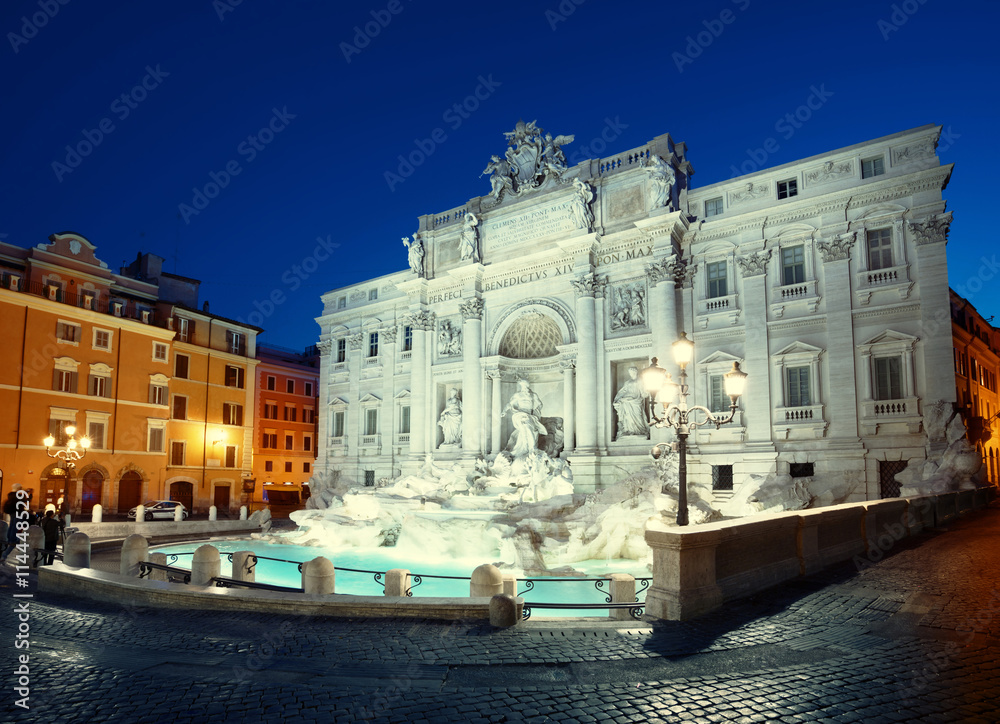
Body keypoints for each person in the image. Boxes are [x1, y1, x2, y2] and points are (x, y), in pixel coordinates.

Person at [501, 379, 548, 458]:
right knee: (525, 426)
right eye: (524, 386)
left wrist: (537, 411)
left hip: (530, 415)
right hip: (520, 414)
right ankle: (532, 447)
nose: (526, 388)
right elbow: (509, 404)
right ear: (521, 386)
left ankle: (526, 447)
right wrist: (504, 411)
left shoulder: (533, 395)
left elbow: (540, 404)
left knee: (528, 428)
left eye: (527, 386)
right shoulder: (517, 395)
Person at [613, 366, 648, 438]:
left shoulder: (640, 380)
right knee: (627, 415)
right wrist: (617, 398)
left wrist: (646, 393)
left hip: (636, 400)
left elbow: (642, 391)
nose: (631, 374)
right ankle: (628, 430)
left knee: (638, 415)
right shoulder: (627, 382)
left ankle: (639, 431)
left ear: (635, 372)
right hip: (627, 399)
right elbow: (623, 391)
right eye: (630, 372)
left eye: (632, 372)